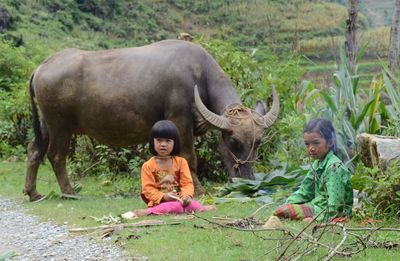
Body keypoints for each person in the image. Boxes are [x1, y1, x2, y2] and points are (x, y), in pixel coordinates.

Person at [122, 120, 215, 219]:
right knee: (175, 207)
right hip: (160, 203)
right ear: (152, 141)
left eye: (168, 141)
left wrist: (186, 196)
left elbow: (187, 183)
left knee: (191, 204)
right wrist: (164, 197)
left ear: (175, 143)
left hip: (180, 200)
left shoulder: (181, 162)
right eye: (159, 140)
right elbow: (148, 190)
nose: (163, 144)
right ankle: (148, 211)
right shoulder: (148, 166)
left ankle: (200, 207)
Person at [273, 118, 353, 223]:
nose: (311, 148)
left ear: (329, 143)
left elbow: (335, 204)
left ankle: (333, 221)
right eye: (307, 144)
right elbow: (305, 192)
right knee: (285, 208)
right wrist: (288, 203)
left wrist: (317, 219)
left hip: (332, 212)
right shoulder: (317, 164)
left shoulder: (334, 167)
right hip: (317, 207)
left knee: (286, 211)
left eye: (315, 143)